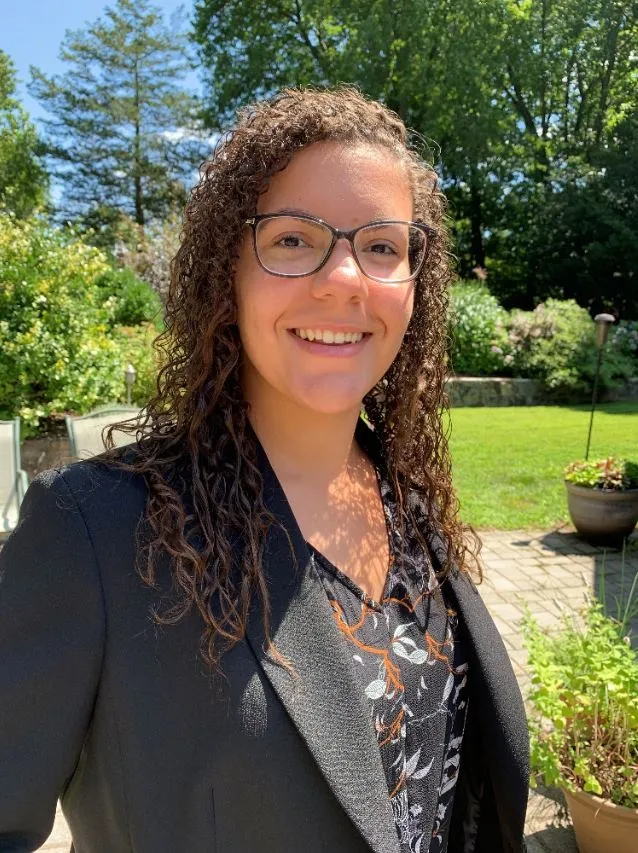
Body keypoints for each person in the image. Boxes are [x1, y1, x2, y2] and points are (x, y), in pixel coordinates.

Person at [0, 87, 528, 853]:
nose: (345, 277)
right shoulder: (93, 533)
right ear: (228, 272)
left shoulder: (407, 501)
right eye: (292, 238)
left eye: (382, 246)